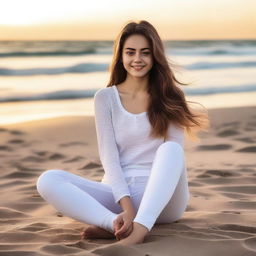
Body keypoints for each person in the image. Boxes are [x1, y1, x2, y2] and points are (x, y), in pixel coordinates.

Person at [36, 20, 208, 246]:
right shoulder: (105, 98)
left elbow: (174, 163)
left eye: (145, 53)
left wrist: (139, 212)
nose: (138, 59)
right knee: (48, 180)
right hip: (118, 196)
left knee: (171, 149)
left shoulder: (171, 96)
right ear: (121, 56)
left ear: (155, 56)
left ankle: (140, 228)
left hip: (163, 202)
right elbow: (109, 158)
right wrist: (126, 208)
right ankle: (114, 224)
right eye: (131, 52)